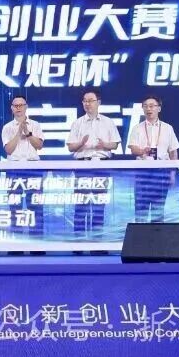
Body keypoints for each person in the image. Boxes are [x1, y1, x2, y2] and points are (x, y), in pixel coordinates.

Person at [67, 89, 120, 242]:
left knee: (98, 205)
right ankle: (78, 242)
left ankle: (97, 243)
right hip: (82, 166)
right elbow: (70, 147)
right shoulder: (77, 123)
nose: (87, 103)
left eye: (91, 100)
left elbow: (115, 144)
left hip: (101, 166)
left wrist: (104, 145)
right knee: (81, 204)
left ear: (99, 102)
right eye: (85, 101)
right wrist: (81, 143)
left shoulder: (108, 122)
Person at [126, 95, 179, 222]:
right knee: (141, 210)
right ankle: (140, 234)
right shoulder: (137, 128)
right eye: (145, 106)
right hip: (142, 172)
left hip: (161, 172)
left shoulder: (167, 128)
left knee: (158, 210)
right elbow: (133, 149)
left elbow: (173, 151)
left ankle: (157, 235)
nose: (148, 109)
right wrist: (142, 151)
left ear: (159, 108)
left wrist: (172, 174)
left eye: (151, 106)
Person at [2, 95, 45, 244]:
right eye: (16, 105)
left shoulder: (35, 125)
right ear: (12, 108)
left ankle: (37, 242)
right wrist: (18, 132)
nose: (18, 108)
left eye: (21, 105)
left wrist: (28, 133)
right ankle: (17, 242)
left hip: (33, 167)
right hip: (13, 168)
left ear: (26, 107)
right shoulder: (7, 127)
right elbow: (8, 150)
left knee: (36, 205)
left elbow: (39, 146)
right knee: (15, 206)